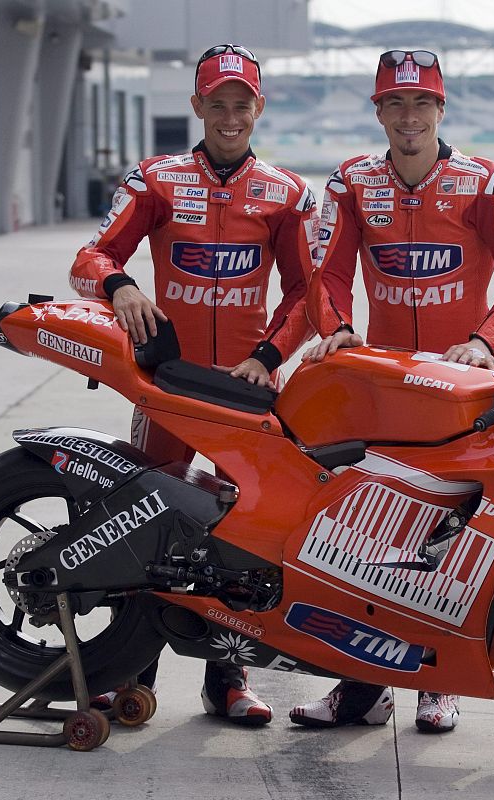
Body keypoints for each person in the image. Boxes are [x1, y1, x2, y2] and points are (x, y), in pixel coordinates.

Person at [292, 49, 494, 733]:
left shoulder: (485, 180)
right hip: (381, 384)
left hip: (464, 388)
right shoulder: (350, 181)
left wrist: (488, 343)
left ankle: (439, 683)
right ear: (379, 111)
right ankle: (358, 687)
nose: (410, 117)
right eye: (395, 104)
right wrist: (338, 329)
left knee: (451, 534)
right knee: (355, 528)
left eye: (422, 103)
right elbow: (328, 273)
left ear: (441, 108)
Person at [69, 43, 318, 726]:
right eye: (218, 103)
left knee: (244, 534)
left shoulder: (289, 193)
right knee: (143, 526)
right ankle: (124, 671)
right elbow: (89, 257)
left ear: (258, 108)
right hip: (166, 384)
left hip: (247, 390)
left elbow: (307, 292)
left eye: (242, 104)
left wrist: (268, 357)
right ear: (197, 107)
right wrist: (118, 287)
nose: (230, 115)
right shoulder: (155, 179)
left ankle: (227, 678)